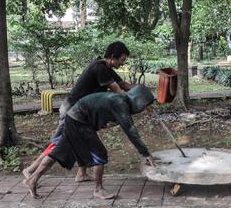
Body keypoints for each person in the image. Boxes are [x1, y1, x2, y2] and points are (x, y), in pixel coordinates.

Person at [23, 41, 133, 182]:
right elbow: (118, 90)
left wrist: (140, 92)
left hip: (82, 113)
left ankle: (81, 174)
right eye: (122, 60)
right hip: (71, 111)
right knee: (59, 144)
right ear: (113, 56)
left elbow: (123, 84)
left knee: (83, 139)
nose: (123, 63)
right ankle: (31, 170)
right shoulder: (99, 69)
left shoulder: (105, 67)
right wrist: (135, 101)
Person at [24, 85, 159, 200]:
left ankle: (32, 179)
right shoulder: (120, 103)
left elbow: (103, 115)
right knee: (99, 154)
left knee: (58, 152)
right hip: (78, 122)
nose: (145, 109)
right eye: (145, 105)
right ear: (139, 101)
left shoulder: (120, 101)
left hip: (73, 118)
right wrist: (145, 153)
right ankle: (98, 189)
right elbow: (130, 130)